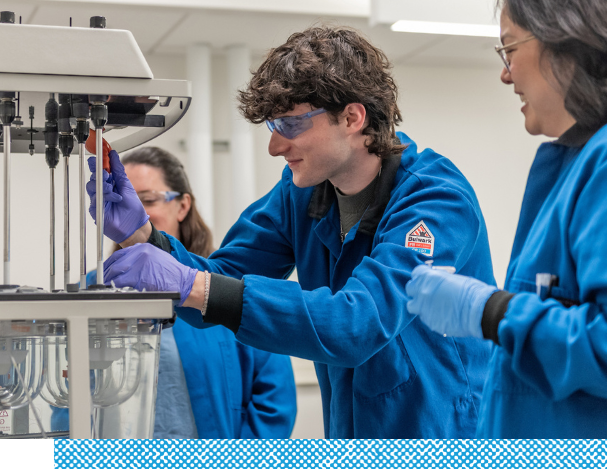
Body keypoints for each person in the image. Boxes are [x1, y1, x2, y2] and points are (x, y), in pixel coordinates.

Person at [87, 26, 494, 438]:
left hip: (443, 434)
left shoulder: (435, 202)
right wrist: (143, 236)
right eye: (272, 127)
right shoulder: (301, 195)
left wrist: (195, 285)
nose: (275, 147)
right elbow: (224, 277)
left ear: (352, 117)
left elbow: (358, 323)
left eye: (291, 124)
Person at [404, 0, 607, 438]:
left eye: (509, 50)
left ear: (566, 38)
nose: (505, 74)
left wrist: (492, 312)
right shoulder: (580, 158)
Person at [87, 146, 297, 439]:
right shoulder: (95, 289)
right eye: (124, 202)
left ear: (182, 205)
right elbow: (68, 391)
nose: (136, 212)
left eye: (147, 199)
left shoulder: (224, 284)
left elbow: (274, 401)